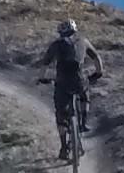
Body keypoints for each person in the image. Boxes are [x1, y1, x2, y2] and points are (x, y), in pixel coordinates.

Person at [36, 19, 104, 153]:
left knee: (60, 114)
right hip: (79, 80)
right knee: (84, 95)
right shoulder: (83, 41)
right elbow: (96, 57)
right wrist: (98, 73)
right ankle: (83, 122)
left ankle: (63, 147)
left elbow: (45, 63)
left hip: (62, 82)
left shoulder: (56, 44)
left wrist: (42, 78)